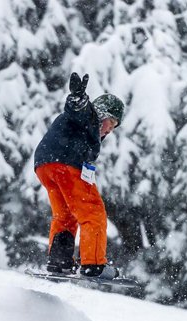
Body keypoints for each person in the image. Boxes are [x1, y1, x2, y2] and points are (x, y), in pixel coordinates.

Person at [34, 72, 125, 279]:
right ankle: (94, 264)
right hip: (67, 163)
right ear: (101, 113)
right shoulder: (90, 116)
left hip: (45, 165)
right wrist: (78, 99)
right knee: (93, 212)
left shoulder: (88, 128)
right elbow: (79, 109)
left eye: (113, 127)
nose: (109, 130)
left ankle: (60, 261)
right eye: (110, 122)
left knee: (65, 215)